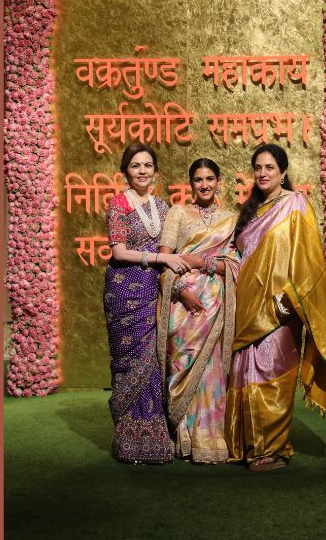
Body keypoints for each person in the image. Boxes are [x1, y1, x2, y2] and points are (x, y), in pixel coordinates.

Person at [225, 143, 326, 472]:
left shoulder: (296, 204)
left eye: (270, 167)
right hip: (247, 306)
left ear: (283, 172)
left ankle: (269, 449)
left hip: (281, 308)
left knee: (272, 371)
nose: (263, 173)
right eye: (258, 168)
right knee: (246, 370)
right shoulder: (251, 211)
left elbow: (308, 259)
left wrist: (289, 298)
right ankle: (247, 445)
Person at [104, 143, 191, 464]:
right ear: (125, 171)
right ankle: (128, 441)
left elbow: (173, 248)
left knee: (154, 359)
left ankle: (154, 439)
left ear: (156, 171)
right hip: (124, 290)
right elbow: (119, 252)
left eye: (147, 165)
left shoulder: (163, 207)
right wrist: (160, 258)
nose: (142, 171)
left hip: (155, 289)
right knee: (129, 360)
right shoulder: (118, 204)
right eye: (135, 165)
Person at [157, 159, 241, 464]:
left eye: (209, 179)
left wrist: (200, 262)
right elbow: (163, 262)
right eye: (198, 180)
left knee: (212, 368)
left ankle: (209, 439)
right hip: (183, 305)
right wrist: (182, 291)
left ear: (219, 182)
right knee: (183, 363)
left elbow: (235, 266)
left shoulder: (231, 220)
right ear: (191, 184)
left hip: (215, 305)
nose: (204, 185)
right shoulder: (177, 213)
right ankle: (183, 438)